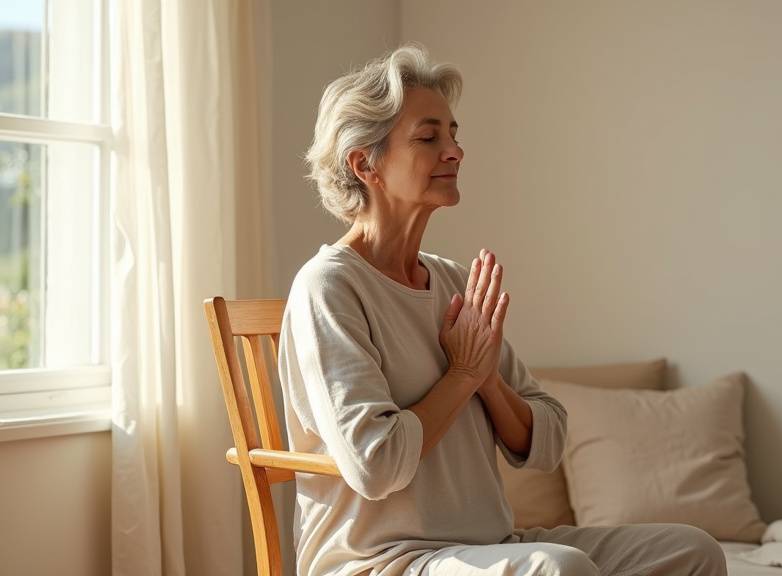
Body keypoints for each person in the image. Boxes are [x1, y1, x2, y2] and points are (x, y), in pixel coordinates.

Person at [278, 43, 727, 576]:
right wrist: (462, 376)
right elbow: (376, 465)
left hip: (488, 545)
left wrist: (487, 381)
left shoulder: (453, 281)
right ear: (364, 164)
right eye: (428, 137)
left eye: (453, 134)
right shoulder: (329, 287)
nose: (455, 151)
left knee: (693, 550)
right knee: (560, 570)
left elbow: (548, 441)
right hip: (384, 560)